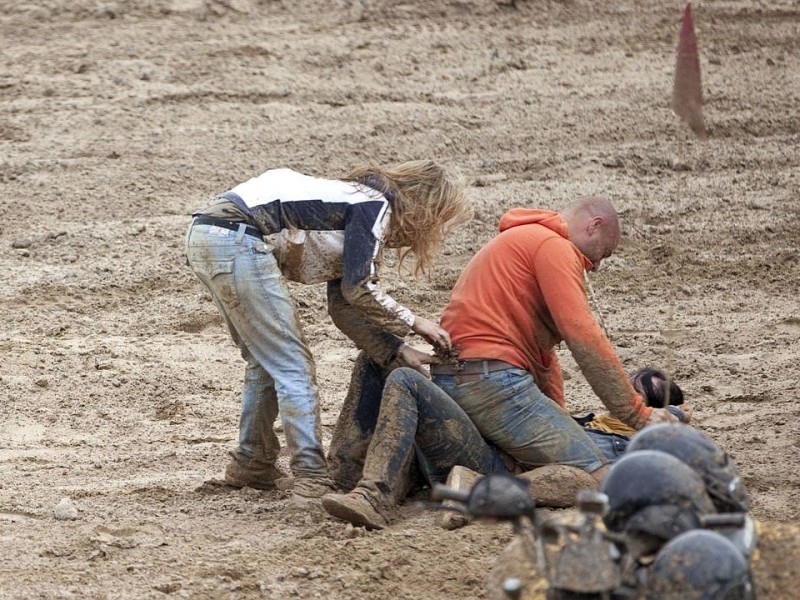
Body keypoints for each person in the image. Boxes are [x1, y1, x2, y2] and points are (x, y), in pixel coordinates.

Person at [184, 161, 471, 503]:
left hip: (210, 233)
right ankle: (310, 476)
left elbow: (343, 305)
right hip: (238, 237)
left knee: (265, 361)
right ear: (424, 207)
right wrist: (417, 323)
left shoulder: (351, 202)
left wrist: (395, 350)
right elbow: (360, 289)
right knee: (294, 366)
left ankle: (252, 462)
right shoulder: (374, 207)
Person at [430, 196, 678, 484]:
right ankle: (480, 487)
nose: (596, 265)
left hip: (454, 381)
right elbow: (582, 334)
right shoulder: (554, 246)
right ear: (594, 226)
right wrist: (637, 415)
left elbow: (543, 354)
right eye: (604, 253)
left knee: (557, 457)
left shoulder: (524, 238)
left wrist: (557, 415)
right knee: (602, 477)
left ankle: (483, 477)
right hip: (492, 384)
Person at [320, 366, 684, 529]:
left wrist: (670, 415)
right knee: (384, 356)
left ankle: (379, 494)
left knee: (406, 381)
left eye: (640, 393)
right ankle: (350, 468)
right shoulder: (585, 421)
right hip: (476, 448)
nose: (626, 396)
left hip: (489, 468)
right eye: (630, 384)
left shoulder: (630, 444)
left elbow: (677, 429)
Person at [579, 368, 689, 463]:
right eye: (626, 386)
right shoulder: (589, 421)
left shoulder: (627, 448)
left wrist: (675, 414)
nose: (623, 391)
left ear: (655, 412)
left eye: (636, 391)